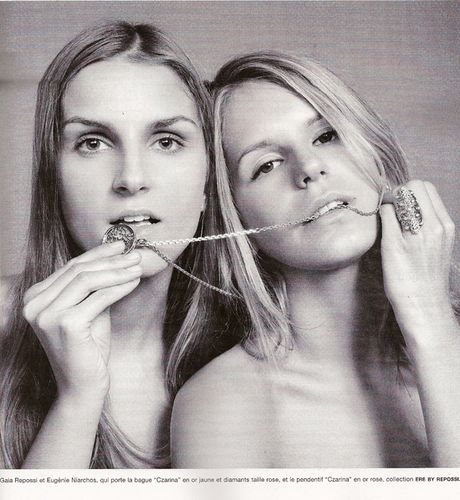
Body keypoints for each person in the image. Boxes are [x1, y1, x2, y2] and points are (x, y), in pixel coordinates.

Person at [171, 52, 460, 467]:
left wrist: (432, 323)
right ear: (235, 218)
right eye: (267, 165)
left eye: (326, 136)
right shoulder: (223, 405)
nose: (309, 168)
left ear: (375, 153)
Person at [0, 21, 235, 469]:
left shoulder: (250, 347)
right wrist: (78, 399)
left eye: (166, 141)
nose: (131, 178)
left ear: (209, 179)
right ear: (53, 176)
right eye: (93, 143)